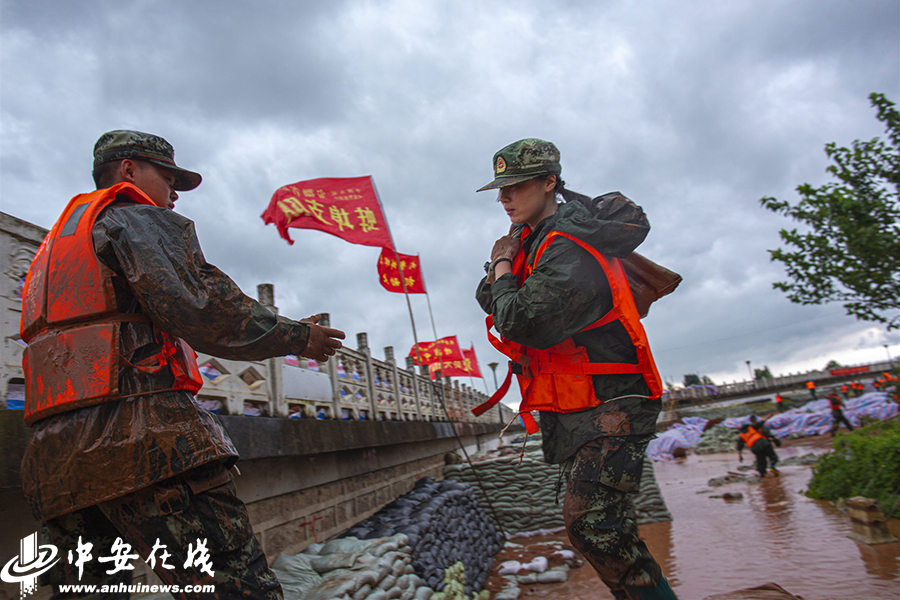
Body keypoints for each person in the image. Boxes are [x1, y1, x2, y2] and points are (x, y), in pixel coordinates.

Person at [19, 130, 346, 598]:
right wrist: (299, 337)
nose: (173, 194)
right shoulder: (132, 219)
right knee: (235, 587)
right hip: (145, 443)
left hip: (57, 468)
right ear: (130, 170)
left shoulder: (54, 251)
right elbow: (202, 305)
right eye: (168, 177)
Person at [473, 139, 677, 600]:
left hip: (613, 396)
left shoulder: (570, 246)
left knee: (594, 526)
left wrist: (501, 264)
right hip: (578, 402)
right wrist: (504, 270)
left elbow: (522, 320)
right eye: (500, 190)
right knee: (600, 528)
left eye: (515, 186)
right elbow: (488, 297)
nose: (504, 198)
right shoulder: (534, 242)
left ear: (549, 182)